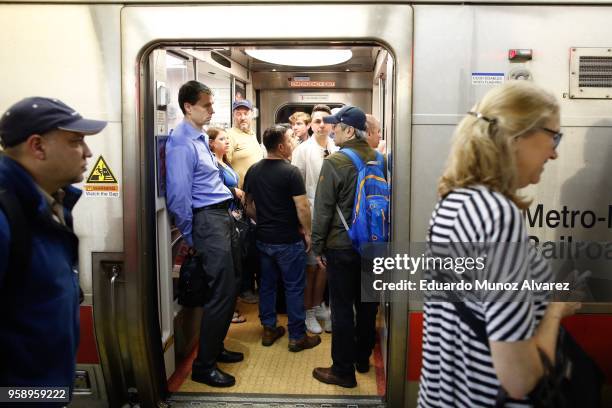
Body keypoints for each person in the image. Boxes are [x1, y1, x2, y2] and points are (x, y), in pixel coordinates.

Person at [417, 81, 580, 407]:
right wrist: (554, 312)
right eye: (553, 136)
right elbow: (518, 378)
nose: (554, 151)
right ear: (516, 137)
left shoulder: (453, 201)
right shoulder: (498, 215)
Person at [0, 97, 107, 399]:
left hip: (43, 388)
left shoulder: (49, 205)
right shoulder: (6, 215)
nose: (87, 152)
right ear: (37, 147)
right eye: (75, 141)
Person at [165, 80, 243, 387]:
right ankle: (204, 366)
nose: (212, 110)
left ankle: (216, 346)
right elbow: (178, 197)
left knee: (232, 283)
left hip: (221, 217)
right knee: (221, 291)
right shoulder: (182, 143)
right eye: (207, 105)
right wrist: (191, 236)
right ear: (188, 106)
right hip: (207, 222)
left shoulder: (198, 138)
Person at [311, 105, 379, 388]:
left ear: (349, 130)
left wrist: (317, 247)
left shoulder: (336, 162)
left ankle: (342, 370)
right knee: (367, 305)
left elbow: (324, 210)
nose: (331, 131)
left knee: (341, 309)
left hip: (342, 245)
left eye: (336, 127)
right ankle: (362, 359)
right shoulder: (380, 159)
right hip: (375, 244)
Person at [243, 125, 322, 352]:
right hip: (288, 240)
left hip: (263, 240)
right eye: (289, 141)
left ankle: (269, 328)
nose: (293, 144)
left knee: (267, 286)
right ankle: (297, 336)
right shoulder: (291, 172)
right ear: (280, 146)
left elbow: (248, 205)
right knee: (294, 287)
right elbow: (303, 207)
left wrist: (263, 219)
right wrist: (307, 232)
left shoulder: (254, 170)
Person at [291, 106, 336, 334]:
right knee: (310, 267)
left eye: (325, 121)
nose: (321, 125)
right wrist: (302, 224)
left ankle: (318, 306)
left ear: (331, 125)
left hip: (332, 219)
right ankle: (307, 311)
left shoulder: (336, 148)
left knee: (324, 267)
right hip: (311, 215)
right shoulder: (302, 150)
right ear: (311, 125)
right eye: (317, 121)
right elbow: (296, 188)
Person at [226, 99, 264, 304]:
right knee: (245, 246)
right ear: (233, 115)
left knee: (254, 243)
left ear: (252, 115)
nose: (242, 117)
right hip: (240, 200)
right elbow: (223, 163)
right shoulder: (231, 136)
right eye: (238, 113)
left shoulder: (251, 135)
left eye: (245, 113)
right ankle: (245, 288)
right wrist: (234, 189)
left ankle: (253, 285)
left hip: (256, 200)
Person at [207, 126, 247, 324]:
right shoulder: (213, 164)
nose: (227, 141)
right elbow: (217, 187)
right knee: (230, 266)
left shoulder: (225, 162)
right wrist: (234, 191)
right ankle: (227, 311)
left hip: (235, 215)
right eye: (222, 139)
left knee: (238, 262)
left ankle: (232, 305)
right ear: (212, 143)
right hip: (225, 214)